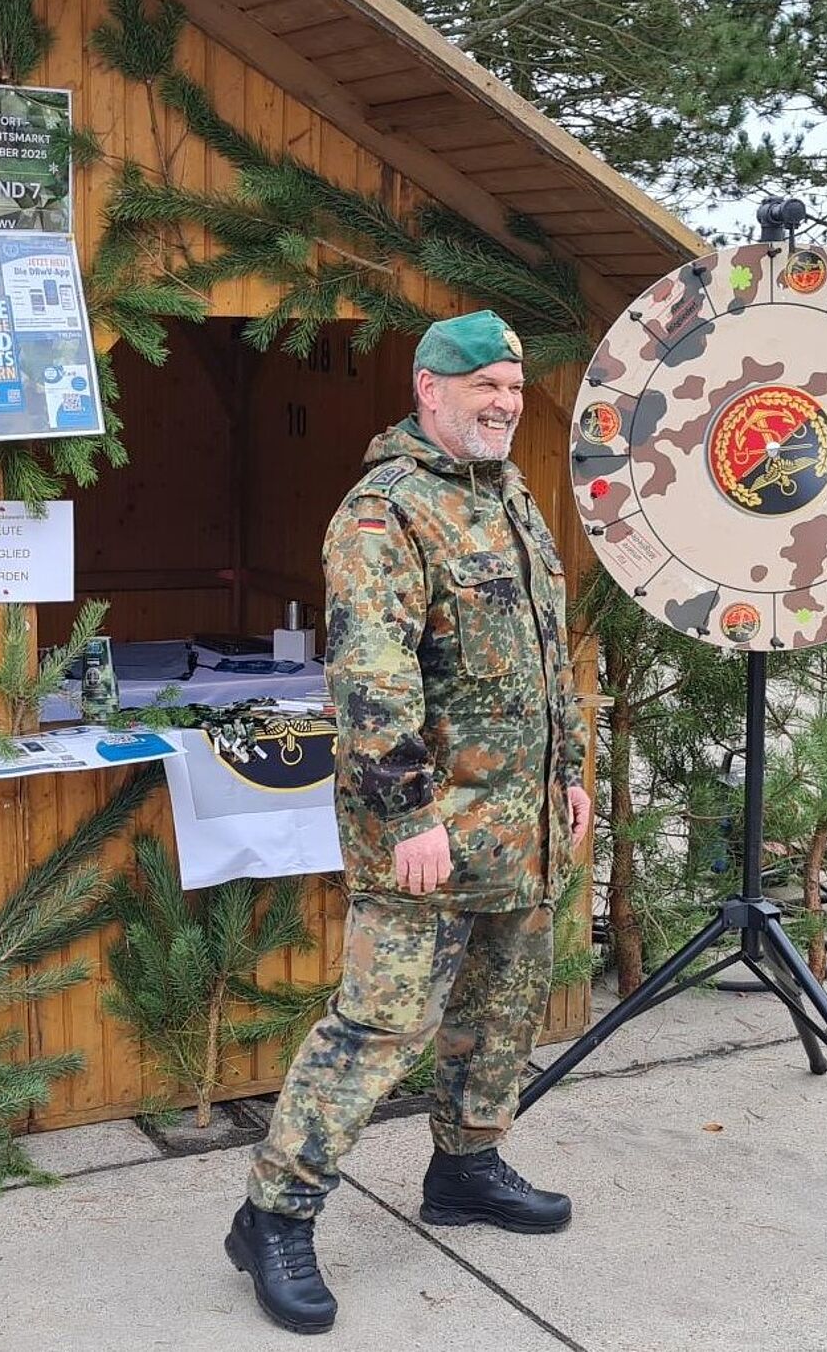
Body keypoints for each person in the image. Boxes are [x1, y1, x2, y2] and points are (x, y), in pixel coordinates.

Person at [225, 310, 592, 1335]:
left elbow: (543, 659)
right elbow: (371, 678)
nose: (504, 405)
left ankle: (466, 1167)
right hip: (425, 834)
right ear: (429, 389)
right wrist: (408, 811)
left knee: (502, 1008)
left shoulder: (512, 500)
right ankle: (275, 1213)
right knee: (379, 1024)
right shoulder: (385, 512)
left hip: (520, 829)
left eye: (514, 390)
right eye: (485, 387)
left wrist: (569, 773)